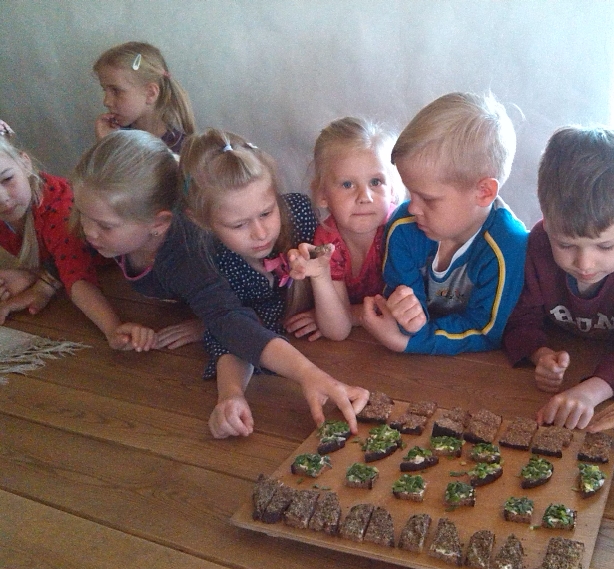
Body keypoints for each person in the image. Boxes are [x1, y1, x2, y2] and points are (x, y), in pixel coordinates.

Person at [71, 129, 368, 437]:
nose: (89, 232)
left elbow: (231, 322)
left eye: (105, 226)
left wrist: (309, 372)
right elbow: (231, 324)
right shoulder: (209, 256)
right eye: (82, 215)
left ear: (160, 223)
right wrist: (231, 391)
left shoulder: (198, 255)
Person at [502, 126, 614, 430]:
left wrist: (589, 392)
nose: (584, 264)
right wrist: (540, 355)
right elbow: (518, 320)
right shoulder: (537, 244)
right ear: (546, 220)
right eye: (565, 245)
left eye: (605, 246)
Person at [361, 91, 528, 354]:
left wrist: (409, 342)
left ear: (483, 192)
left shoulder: (509, 247)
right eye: (410, 192)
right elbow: (406, 316)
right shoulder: (403, 227)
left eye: (428, 198)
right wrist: (406, 320)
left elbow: (485, 331)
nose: (412, 207)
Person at [0, 119, 140, 349]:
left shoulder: (59, 211)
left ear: (25, 164)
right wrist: (34, 275)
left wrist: (113, 329)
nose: (2, 198)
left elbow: (78, 277)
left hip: (125, 268)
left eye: (7, 179)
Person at [286, 116, 400, 341]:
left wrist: (350, 314)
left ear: (393, 190)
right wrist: (320, 277)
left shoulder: (400, 229)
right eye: (347, 184)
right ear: (322, 195)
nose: (364, 197)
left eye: (376, 182)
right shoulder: (327, 240)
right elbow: (338, 331)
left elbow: (416, 307)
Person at [93, 41, 195, 153]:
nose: (106, 101)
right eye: (105, 90)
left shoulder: (182, 149)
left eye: (116, 91)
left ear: (151, 93)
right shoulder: (116, 134)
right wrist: (107, 144)